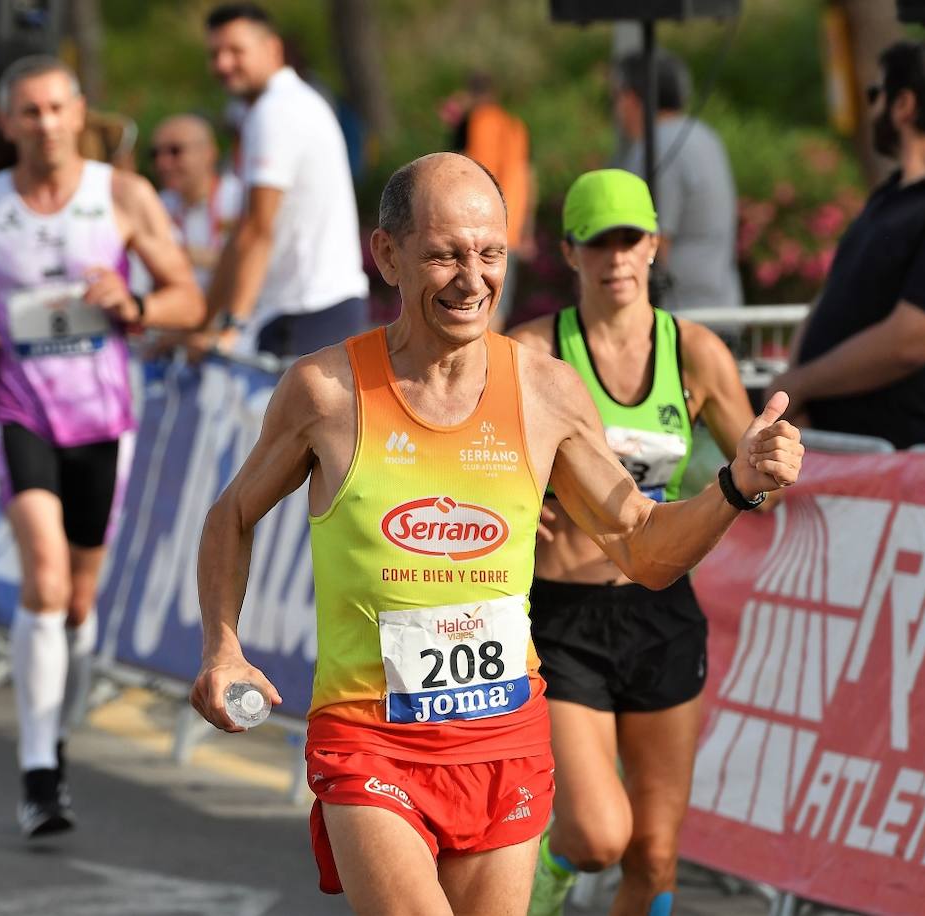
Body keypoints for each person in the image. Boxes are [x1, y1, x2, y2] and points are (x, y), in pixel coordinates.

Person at [189, 152, 803, 914]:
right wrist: (222, 646)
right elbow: (232, 515)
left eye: (489, 254)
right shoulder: (326, 391)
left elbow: (642, 549)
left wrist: (735, 486)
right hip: (371, 738)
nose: (471, 279)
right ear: (387, 255)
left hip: (503, 737)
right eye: (444, 254)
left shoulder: (545, 391)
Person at [0, 56, 202, 838]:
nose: (44, 124)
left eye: (56, 108)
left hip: (104, 418)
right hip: (18, 408)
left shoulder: (123, 196)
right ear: (7, 123)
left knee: (77, 598)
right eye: (28, 112)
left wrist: (134, 302)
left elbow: (188, 297)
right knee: (41, 576)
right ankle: (39, 772)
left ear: (79, 113)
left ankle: (56, 735)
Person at [506, 169, 763, 916]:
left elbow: (751, 462)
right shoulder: (532, 351)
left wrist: (771, 465)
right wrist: (520, 505)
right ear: (570, 253)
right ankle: (549, 875)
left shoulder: (695, 353)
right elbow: (469, 458)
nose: (616, 258)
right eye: (599, 243)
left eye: (630, 240)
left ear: (655, 245)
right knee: (595, 836)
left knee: (654, 857)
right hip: (562, 619)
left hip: (661, 613)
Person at [769, 40, 925, 449]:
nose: (869, 108)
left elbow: (914, 337)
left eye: (874, 94)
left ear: (903, 105)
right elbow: (830, 298)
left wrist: (802, 383)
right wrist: (794, 389)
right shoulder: (889, 196)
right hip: (843, 450)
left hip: (900, 464)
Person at [201, 3, 369, 358]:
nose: (222, 64)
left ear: (272, 49)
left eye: (236, 51)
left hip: (307, 312)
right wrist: (205, 322)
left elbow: (257, 228)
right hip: (322, 306)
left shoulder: (275, 111)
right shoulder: (290, 103)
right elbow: (244, 235)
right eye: (215, 54)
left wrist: (232, 328)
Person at [612, 50, 742, 312]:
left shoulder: (655, 147)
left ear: (631, 98)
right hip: (723, 302)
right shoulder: (706, 136)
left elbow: (654, 241)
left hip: (678, 312)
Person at [459, 71, 536, 330]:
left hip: (472, 224)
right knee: (498, 300)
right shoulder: (516, 127)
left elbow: (456, 170)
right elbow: (528, 178)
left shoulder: (472, 122)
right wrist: (528, 229)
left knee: (469, 296)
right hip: (509, 226)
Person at [150, 114, 243, 290]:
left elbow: (260, 258)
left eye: (175, 151)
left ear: (209, 152)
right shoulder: (157, 205)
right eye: (155, 154)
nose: (163, 163)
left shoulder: (240, 199)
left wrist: (198, 257)